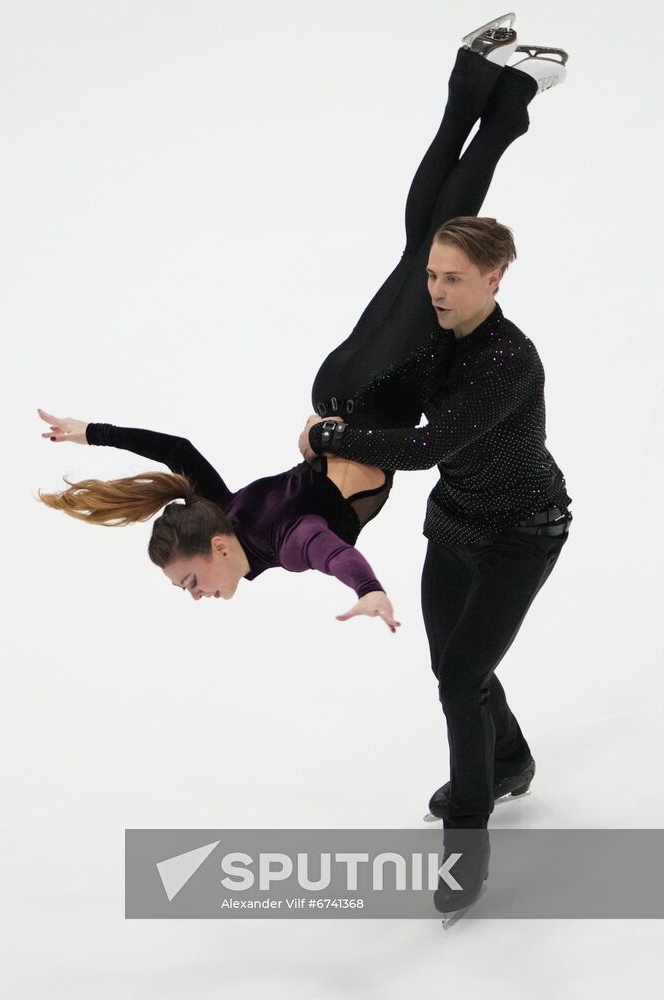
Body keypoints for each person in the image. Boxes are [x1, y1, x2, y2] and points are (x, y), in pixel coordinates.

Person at [37, 15, 566, 653]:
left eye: (190, 581)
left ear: (218, 548)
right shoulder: (226, 509)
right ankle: (492, 87)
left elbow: (328, 550)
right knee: (418, 247)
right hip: (340, 382)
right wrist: (91, 432)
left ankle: (499, 91)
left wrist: (367, 588)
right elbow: (178, 449)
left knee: (433, 241)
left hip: (377, 389)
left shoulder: (285, 543)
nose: (196, 595)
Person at [298, 25, 573, 837]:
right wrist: (338, 422)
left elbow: (424, 448)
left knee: (459, 680)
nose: (438, 291)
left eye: (454, 279)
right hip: (456, 524)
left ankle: (469, 825)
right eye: (434, 280)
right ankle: (510, 757)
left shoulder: (506, 361)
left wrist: (331, 439)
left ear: (495, 278)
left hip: (523, 532)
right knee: (456, 666)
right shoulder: (439, 337)